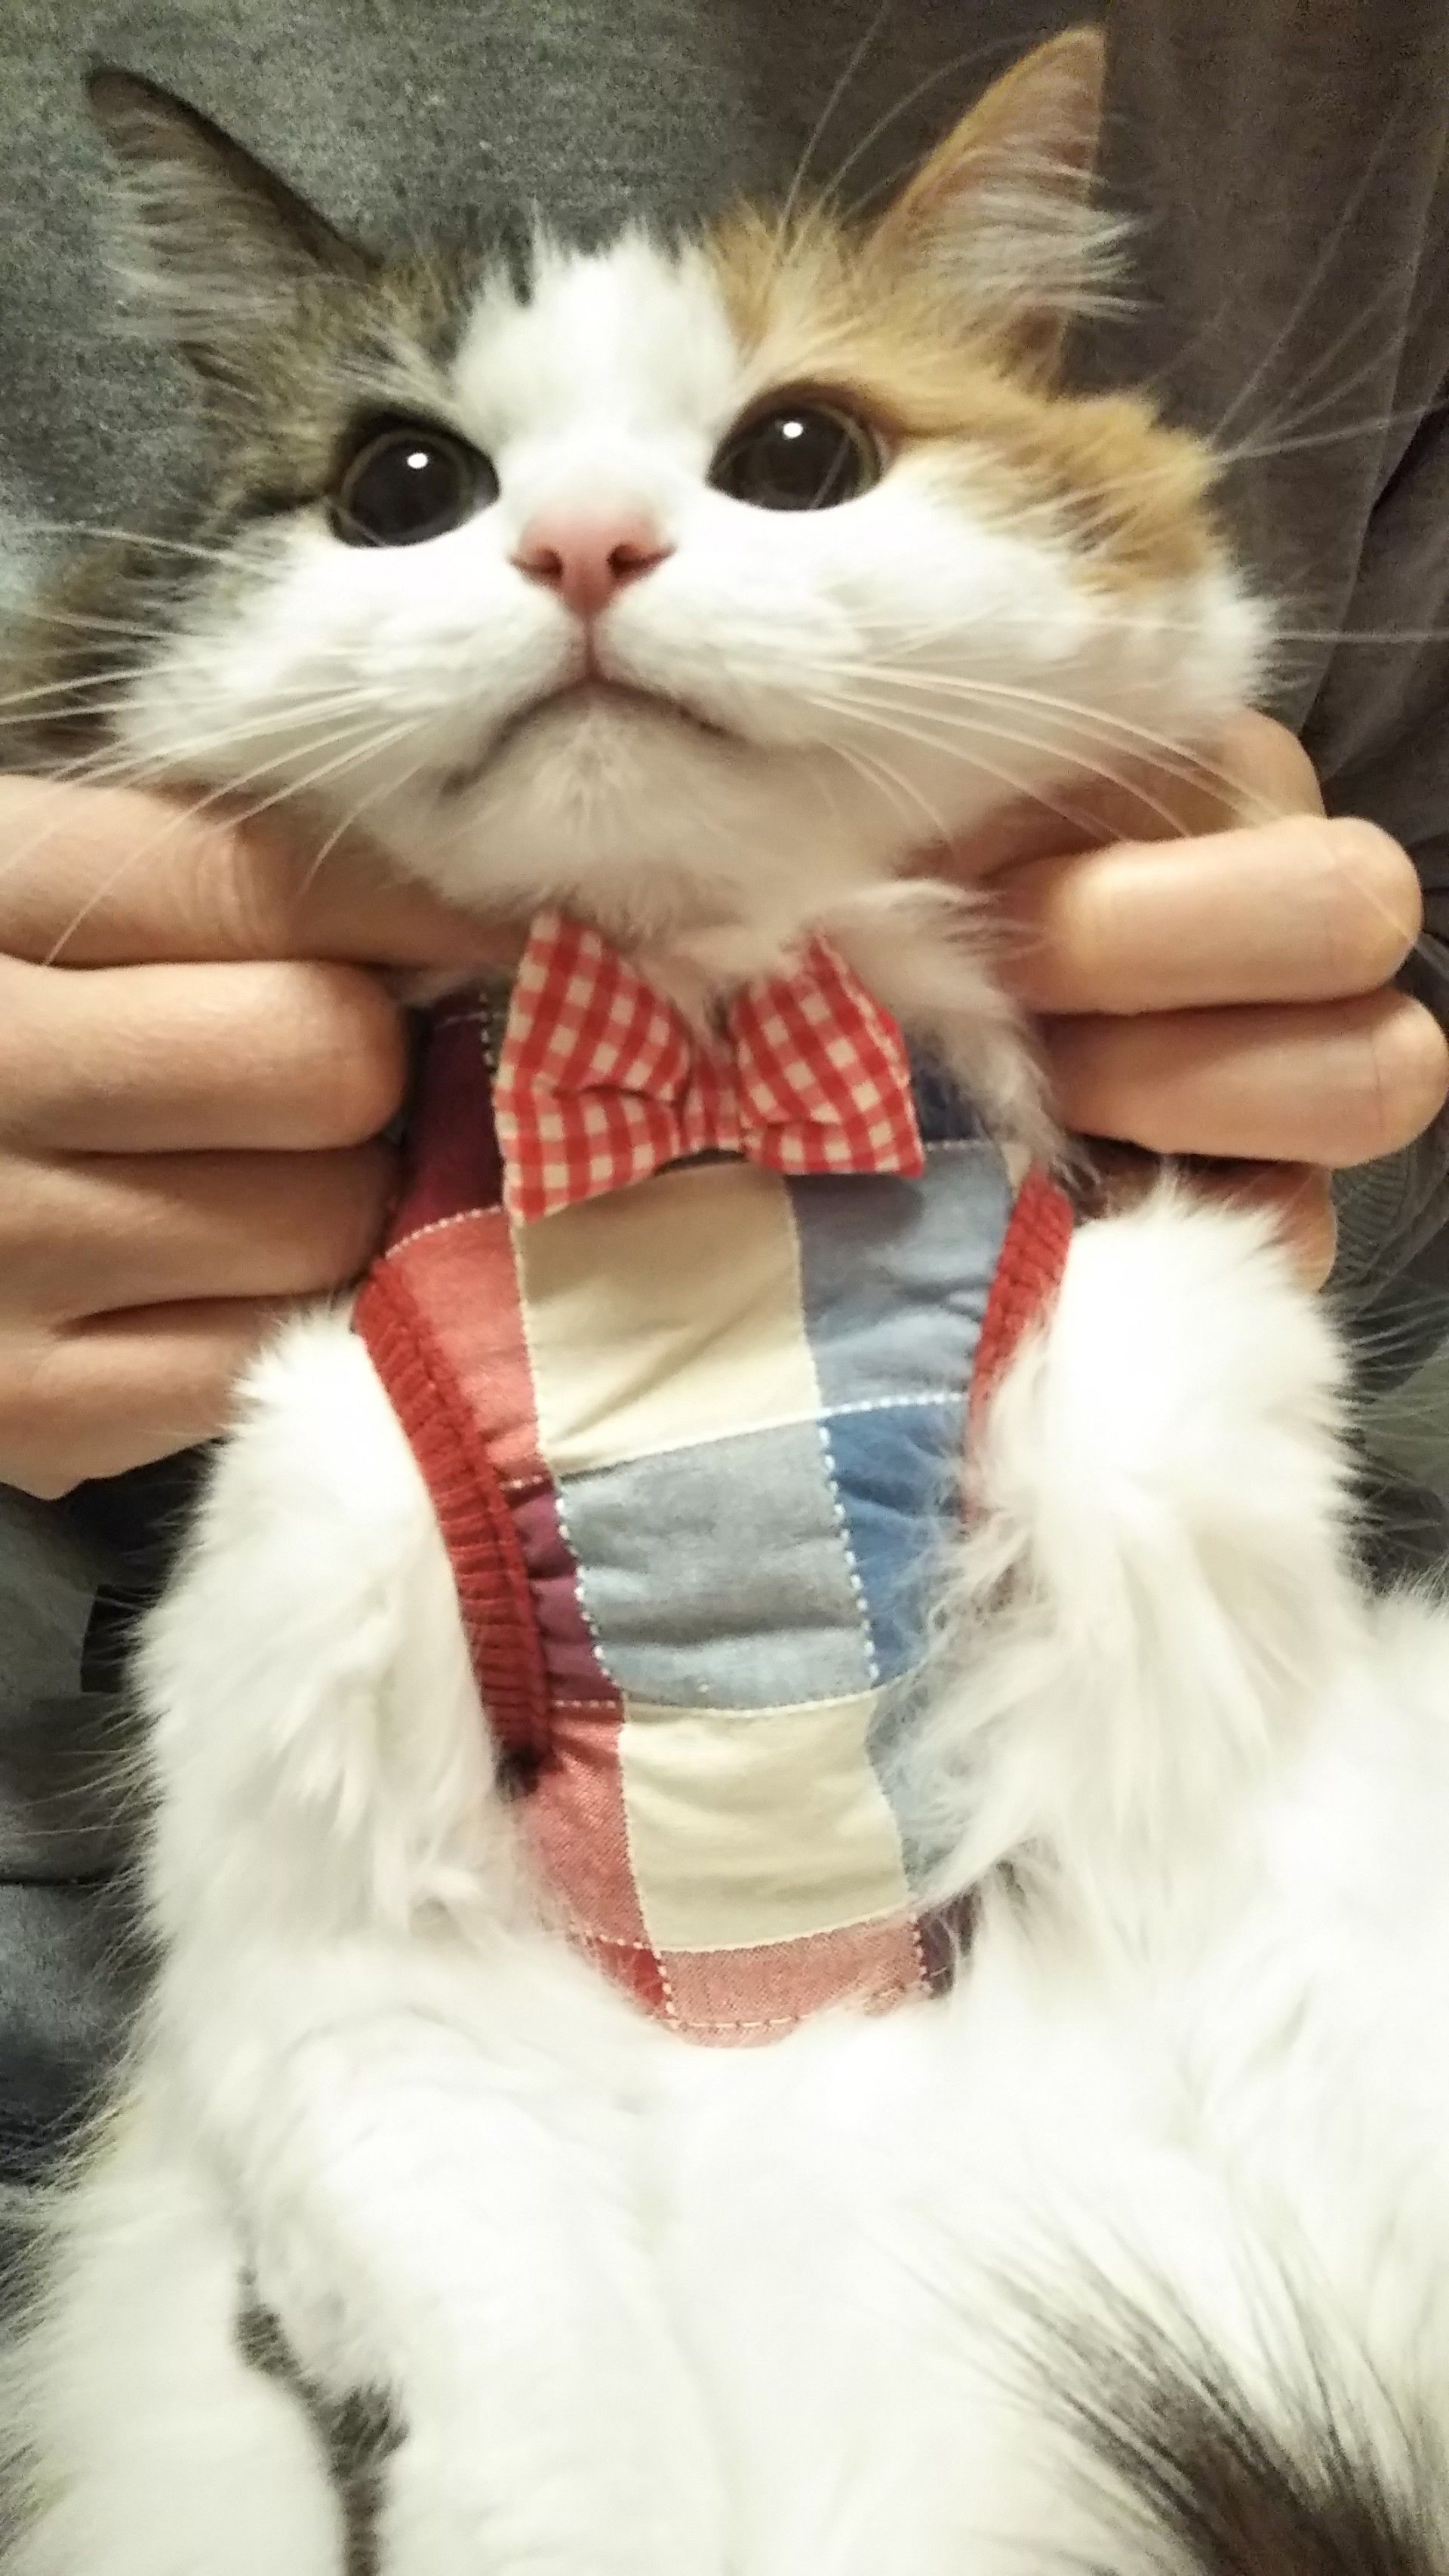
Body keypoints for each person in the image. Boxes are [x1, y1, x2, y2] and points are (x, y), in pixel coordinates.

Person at [3, 0, 1448, 2275]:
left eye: (792, 449)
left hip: (1178, 2048)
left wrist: (1312, 1070)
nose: (585, 542)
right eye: (407, 489)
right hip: (195, 2043)